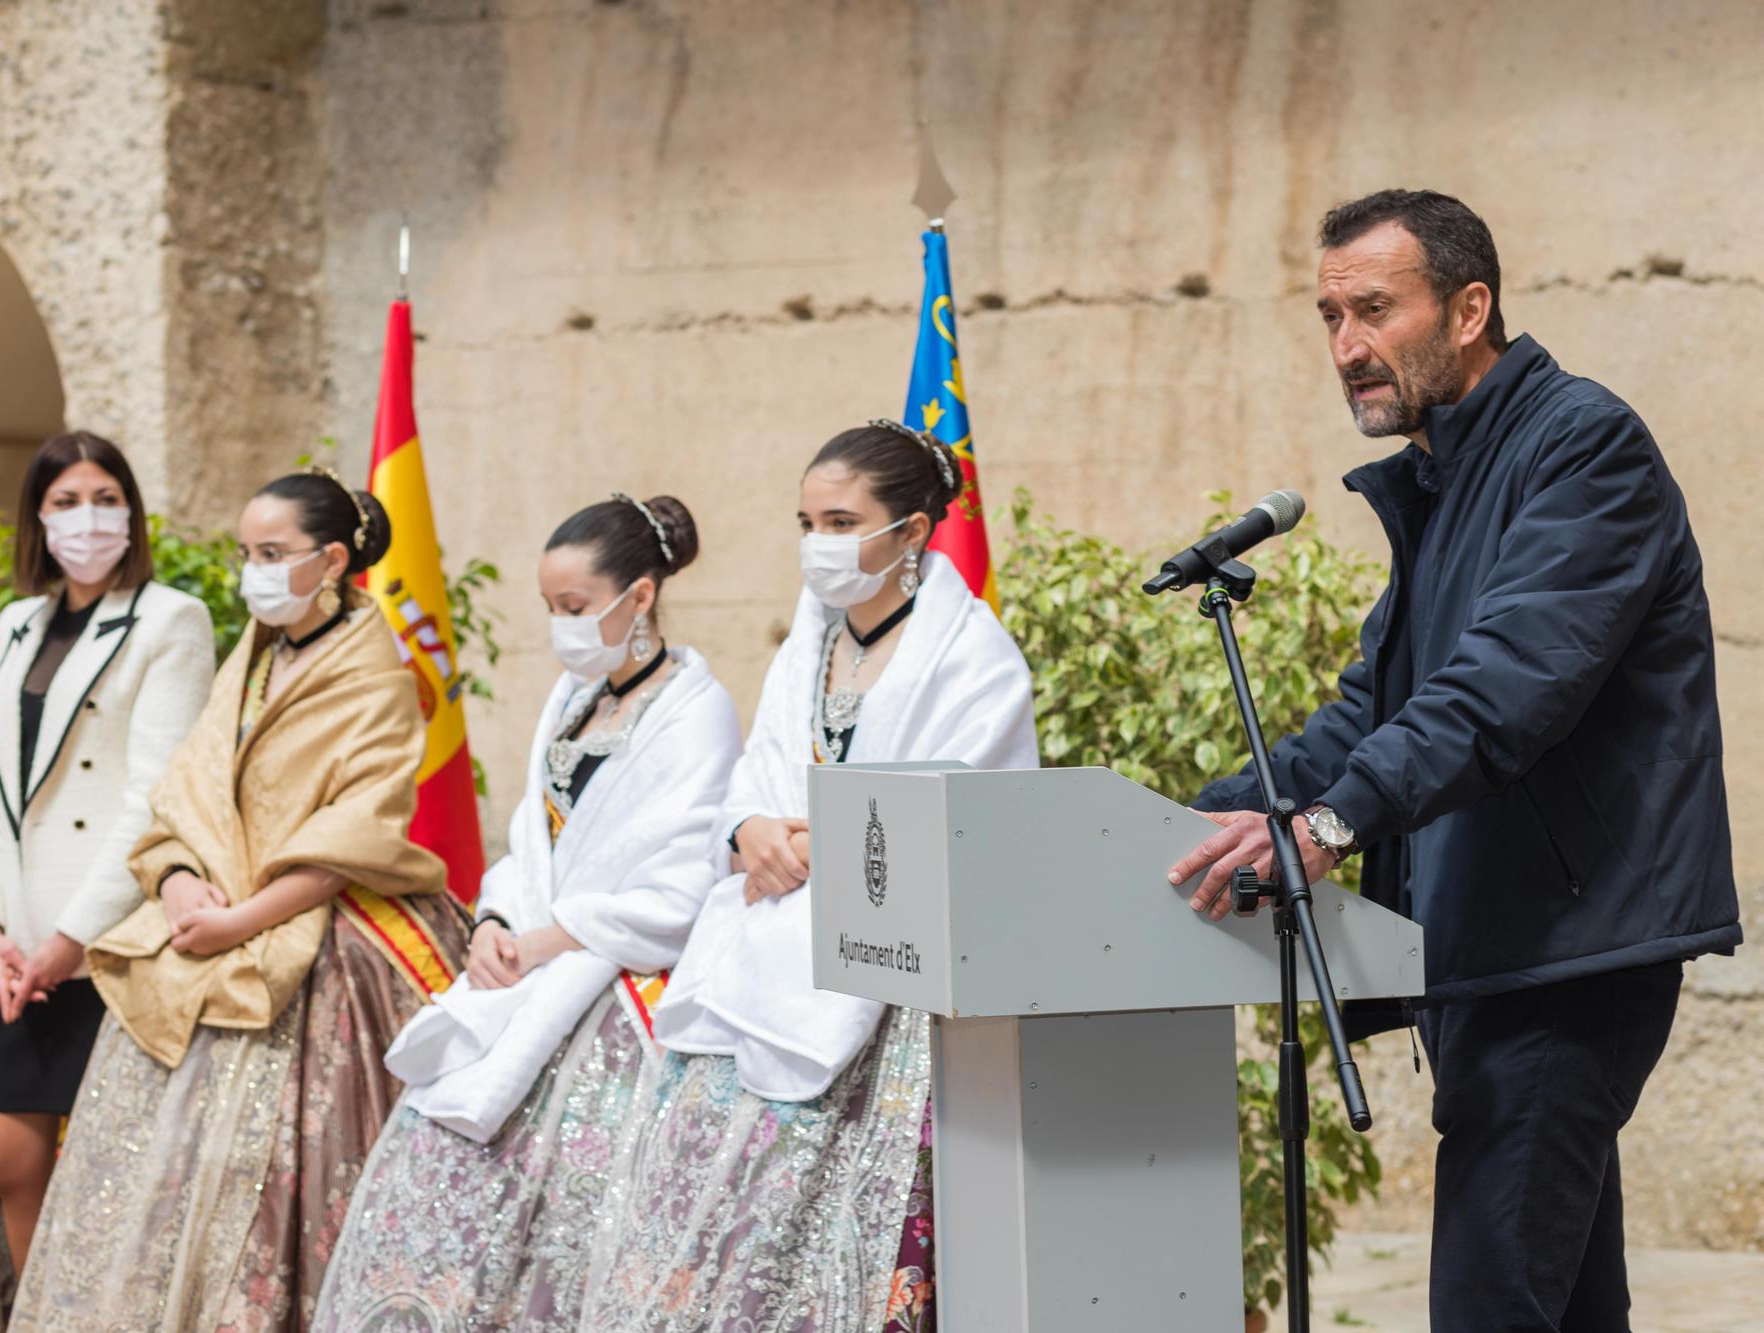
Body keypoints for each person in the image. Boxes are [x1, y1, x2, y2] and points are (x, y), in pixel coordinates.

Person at [1168, 189, 1739, 1333]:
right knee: (1560, 1303)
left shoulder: (1581, 448)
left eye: (1373, 309)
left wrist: (1326, 830)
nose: (1346, 347)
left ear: (1468, 306)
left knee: (1487, 1303)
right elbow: (1363, 718)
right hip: (1491, 951)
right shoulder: (1443, 483)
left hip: (1565, 957)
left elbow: (1504, 691)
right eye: (1328, 316)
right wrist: (1172, 818)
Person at [580, 423, 1039, 1333]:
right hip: (769, 939)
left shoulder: (976, 659)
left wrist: (821, 846)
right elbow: (760, 767)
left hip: (894, 982)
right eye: (806, 521)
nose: (817, 545)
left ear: (913, 533)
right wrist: (751, 828)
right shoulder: (812, 636)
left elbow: (970, 812)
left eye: (841, 520)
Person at [10, 468, 471, 1331]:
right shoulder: (253, 653)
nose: (250, 571)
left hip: (318, 941)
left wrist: (237, 919)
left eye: (272, 553)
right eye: (244, 552)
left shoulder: (375, 672)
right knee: (152, 1184)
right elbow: (183, 788)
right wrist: (180, 880)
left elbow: (357, 831)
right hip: (204, 923)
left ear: (332, 559)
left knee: (275, 1184)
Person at [314, 493, 742, 1330]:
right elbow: (528, 839)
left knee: (576, 1220)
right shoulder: (571, 700)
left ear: (641, 596)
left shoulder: (697, 711)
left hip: (617, 997)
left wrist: (549, 938)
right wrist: (495, 923)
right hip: (531, 964)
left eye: (576, 608)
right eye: (551, 608)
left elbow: (684, 883)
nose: (561, 627)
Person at [0, 431, 216, 1273]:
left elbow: (153, 794)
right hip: (21, 935)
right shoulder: (16, 622)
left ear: (133, 512)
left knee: (111, 1169)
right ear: (38, 516)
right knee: (8, 1155)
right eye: (66, 501)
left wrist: (72, 937)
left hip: (109, 928)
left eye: (105, 498)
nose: (87, 518)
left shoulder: (171, 617)